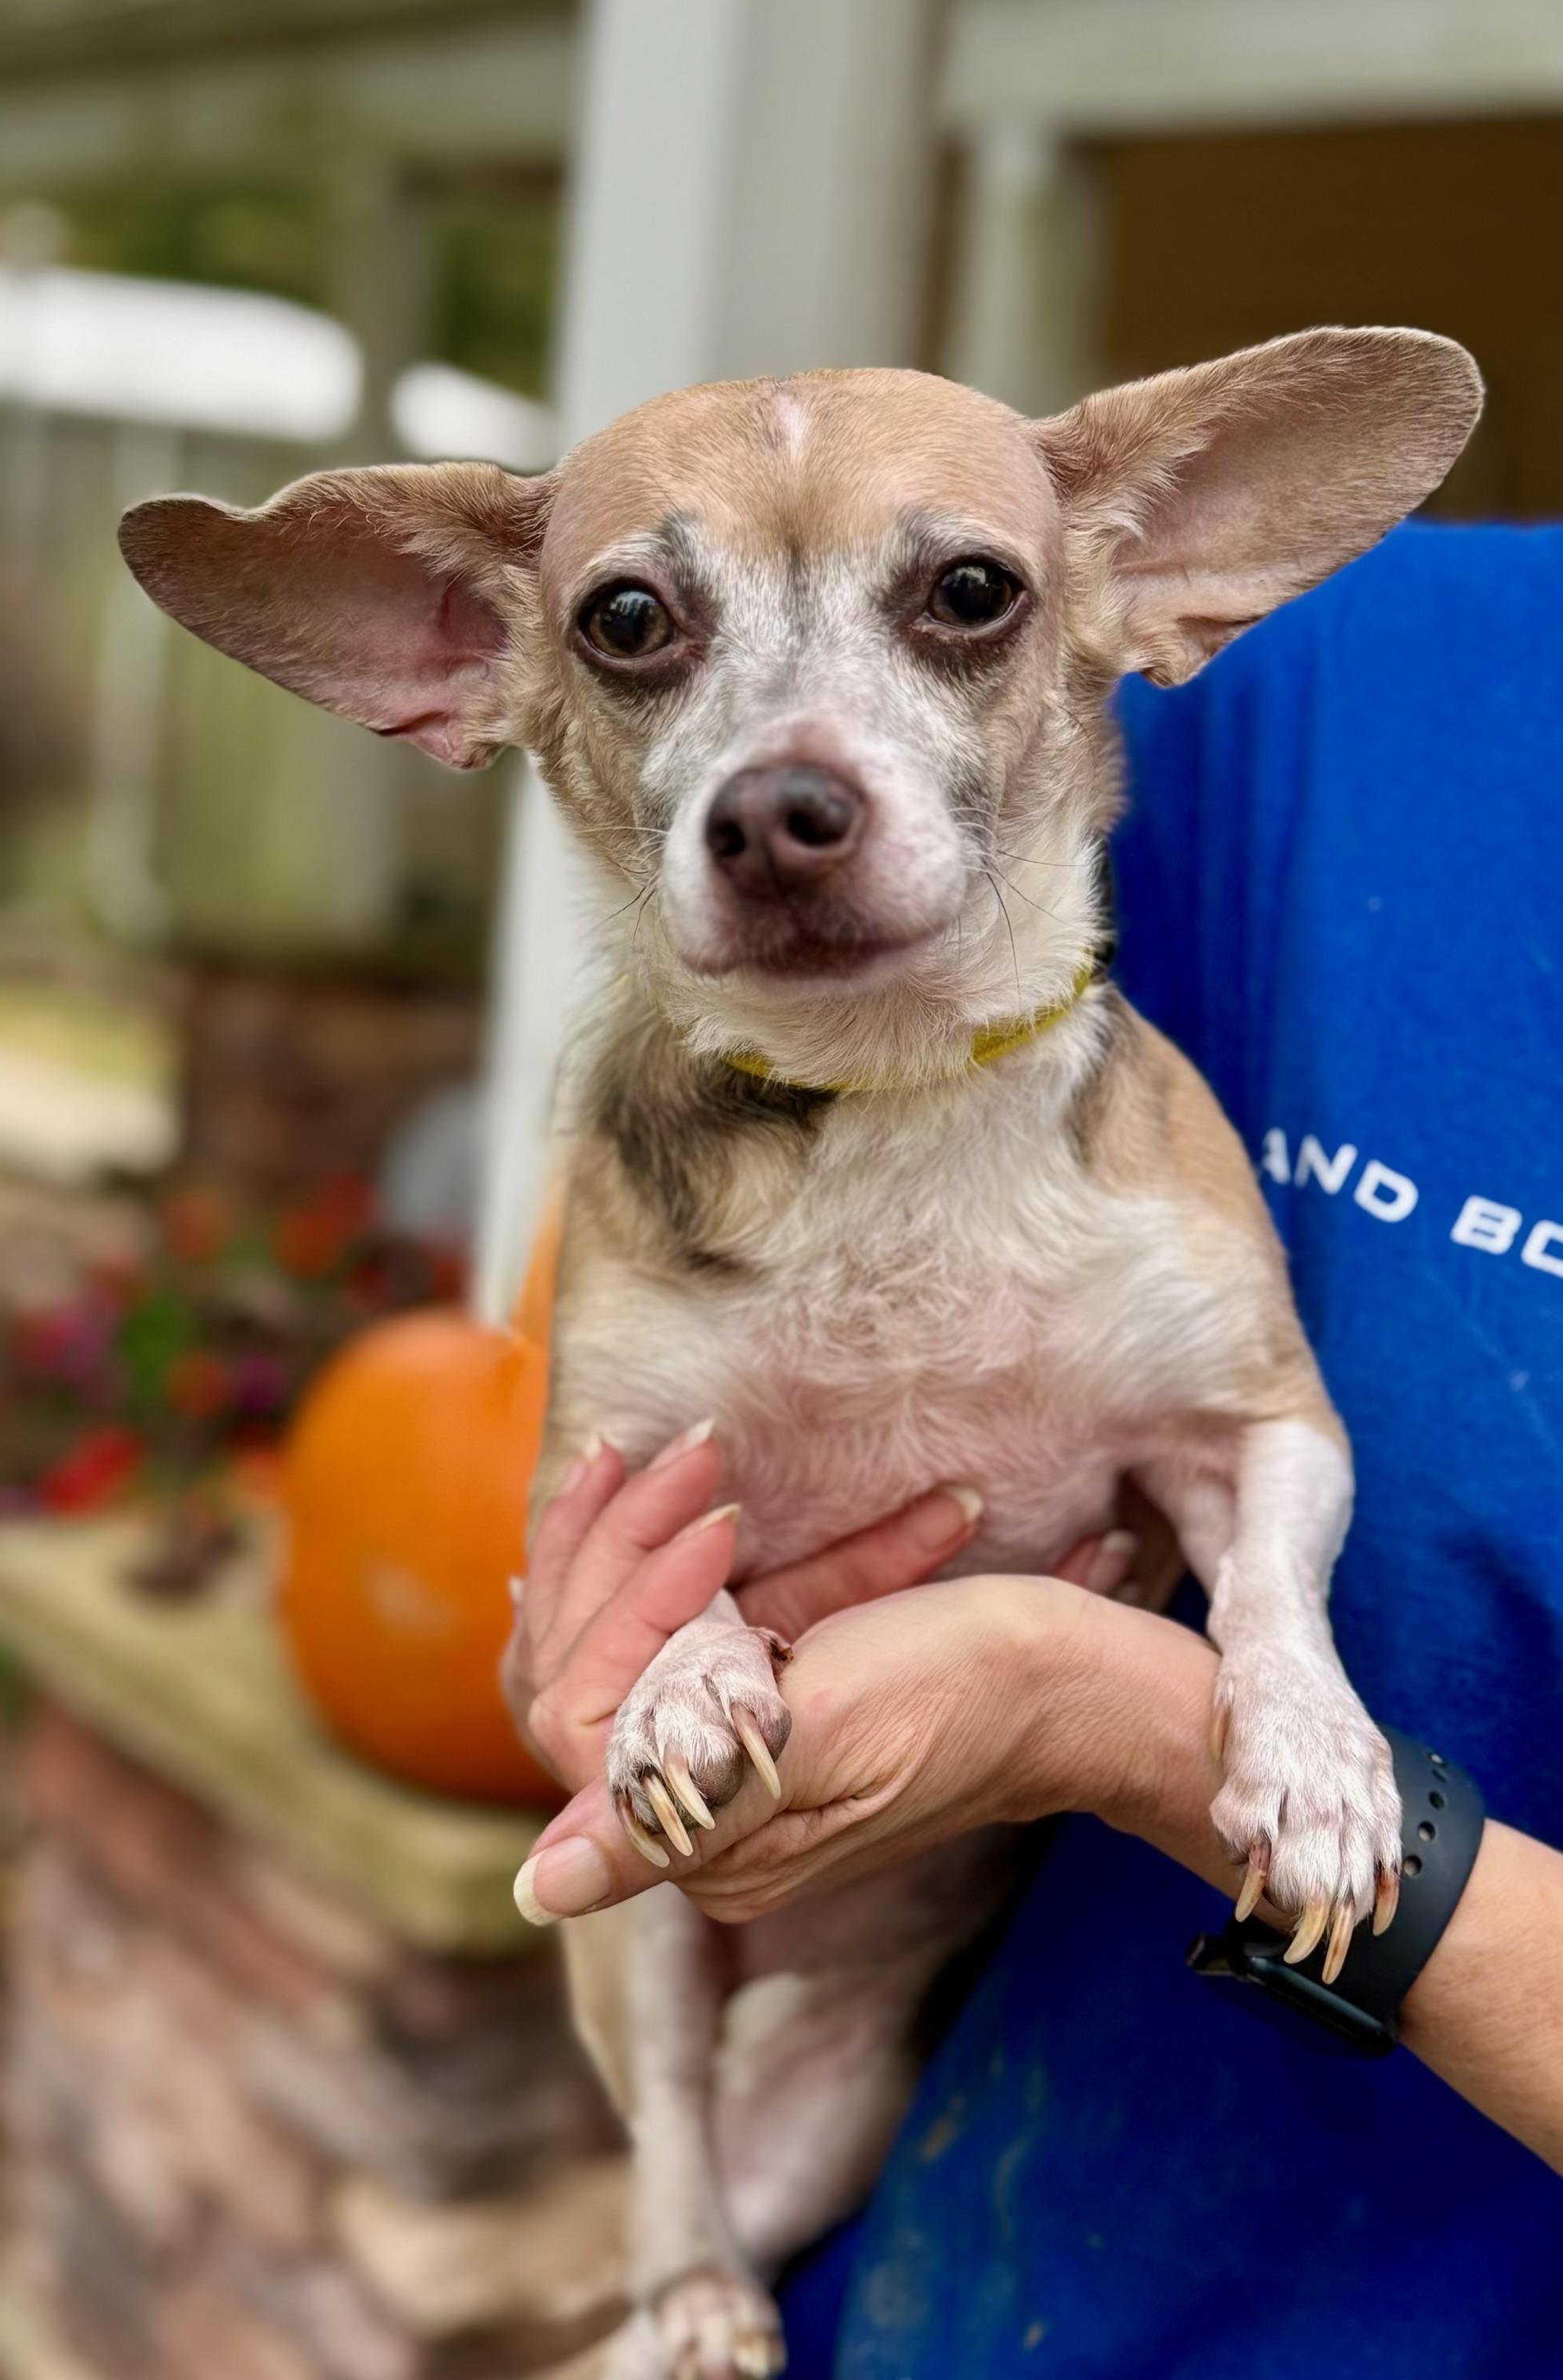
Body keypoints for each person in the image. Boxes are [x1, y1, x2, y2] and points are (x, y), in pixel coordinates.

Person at [504, 525, 1563, 2376]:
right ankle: (675, 2266)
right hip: (935, 2247)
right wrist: (612, 1634)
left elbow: (1254, 1433)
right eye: (637, 623)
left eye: (963, 605)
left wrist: (1116, 1710)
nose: (789, 791)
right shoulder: (1317, 670)